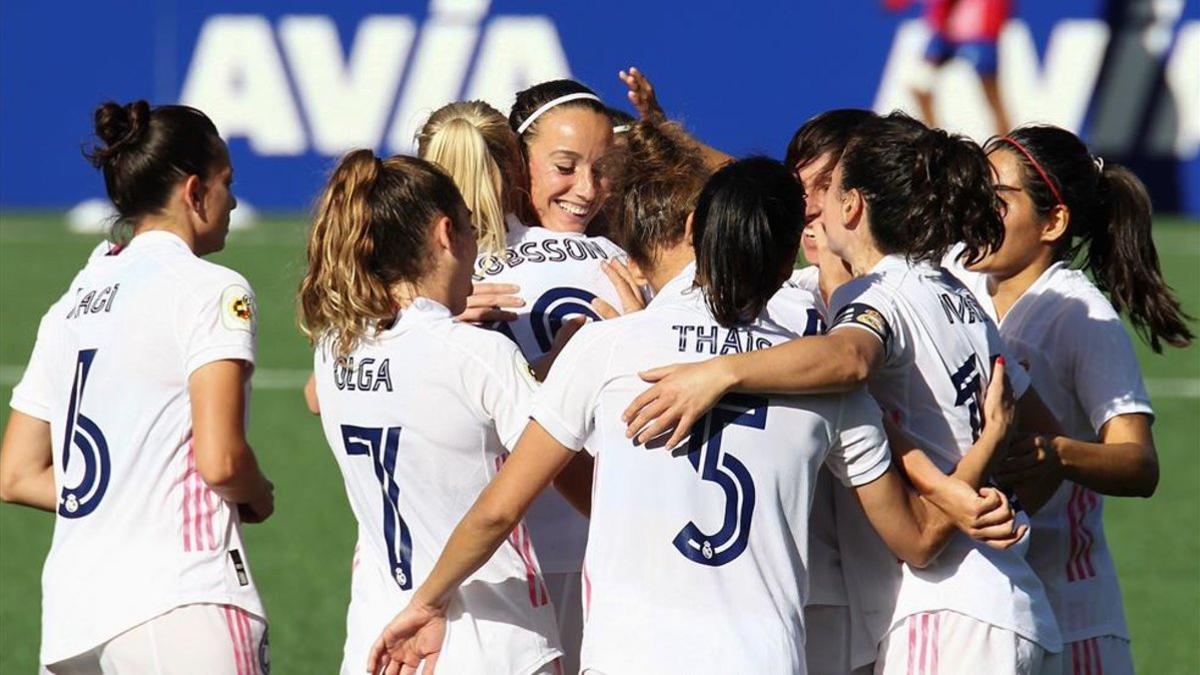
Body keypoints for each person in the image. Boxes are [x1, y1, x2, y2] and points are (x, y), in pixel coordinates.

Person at [367, 156, 1020, 675]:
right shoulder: (824, 386)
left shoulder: (608, 347)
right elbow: (918, 539)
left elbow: (497, 509)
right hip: (765, 660)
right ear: (790, 251)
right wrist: (986, 444)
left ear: (693, 232)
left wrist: (427, 601)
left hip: (628, 660)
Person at [621, 113, 1065, 673]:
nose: (810, 204)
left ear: (852, 205)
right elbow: (1041, 440)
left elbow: (850, 360)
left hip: (943, 605)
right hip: (1013, 603)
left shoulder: (878, 294)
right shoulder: (959, 296)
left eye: (825, 189)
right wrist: (974, 474)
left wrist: (722, 372)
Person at [0, 100, 273, 674]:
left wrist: (127, 487)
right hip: (181, 602)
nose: (234, 200)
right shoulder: (210, 288)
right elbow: (221, 460)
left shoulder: (71, 302)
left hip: (74, 624)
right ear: (194, 191)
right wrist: (257, 491)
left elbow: (17, 474)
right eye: (227, 183)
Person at [298, 151, 563, 675]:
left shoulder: (332, 351)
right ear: (446, 234)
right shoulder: (479, 356)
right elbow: (524, 493)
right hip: (492, 638)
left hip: (380, 641)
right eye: (470, 228)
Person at [947, 124, 1192, 674]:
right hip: (984, 611)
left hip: (1075, 616)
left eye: (997, 199)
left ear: (1053, 222)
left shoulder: (1081, 316)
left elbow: (1139, 462)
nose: (975, 210)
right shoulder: (956, 292)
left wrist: (1055, 453)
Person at [456, 80, 642, 673]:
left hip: (489, 551)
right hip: (589, 541)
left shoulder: (459, 264)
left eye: (603, 168)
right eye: (565, 166)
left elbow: (319, 391)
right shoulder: (628, 268)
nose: (586, 190)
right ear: (517, 161)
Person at [885, 0, 1014, 135]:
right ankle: (935, 137)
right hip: (946, 36)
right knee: (919, 84)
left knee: (992, 94)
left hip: (980, 35)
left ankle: (1005, 141)